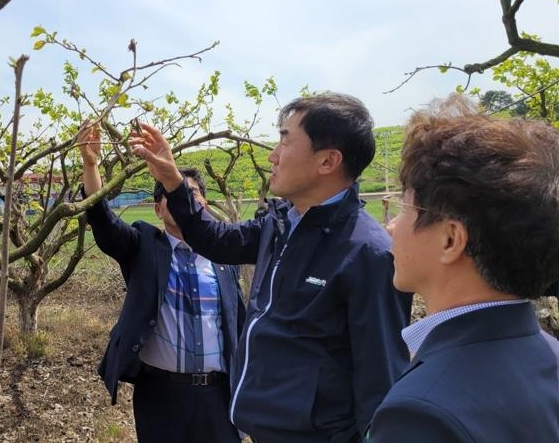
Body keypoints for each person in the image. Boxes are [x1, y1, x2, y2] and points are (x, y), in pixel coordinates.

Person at [129, 93, 413, 442]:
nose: (272, 155)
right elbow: (216, 239)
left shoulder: (367, 254)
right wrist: (172, 179)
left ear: (328, 161)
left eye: (285, 140)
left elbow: (380, 381)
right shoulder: (281, 224)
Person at [364, 95, 559, 442]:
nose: (391, 226)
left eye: (404, 209)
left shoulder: (421, 413)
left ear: (451, 240)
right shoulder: (550, 355)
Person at [77, 120, 246, 443]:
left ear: (203, 204)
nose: (180, 198)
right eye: (169, 194)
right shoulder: (144, 245)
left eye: (188, 192)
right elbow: (104, 222)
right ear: (158, 208)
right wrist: (90, 166)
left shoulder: (224, 257)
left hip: (219, 394)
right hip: (161, 395)